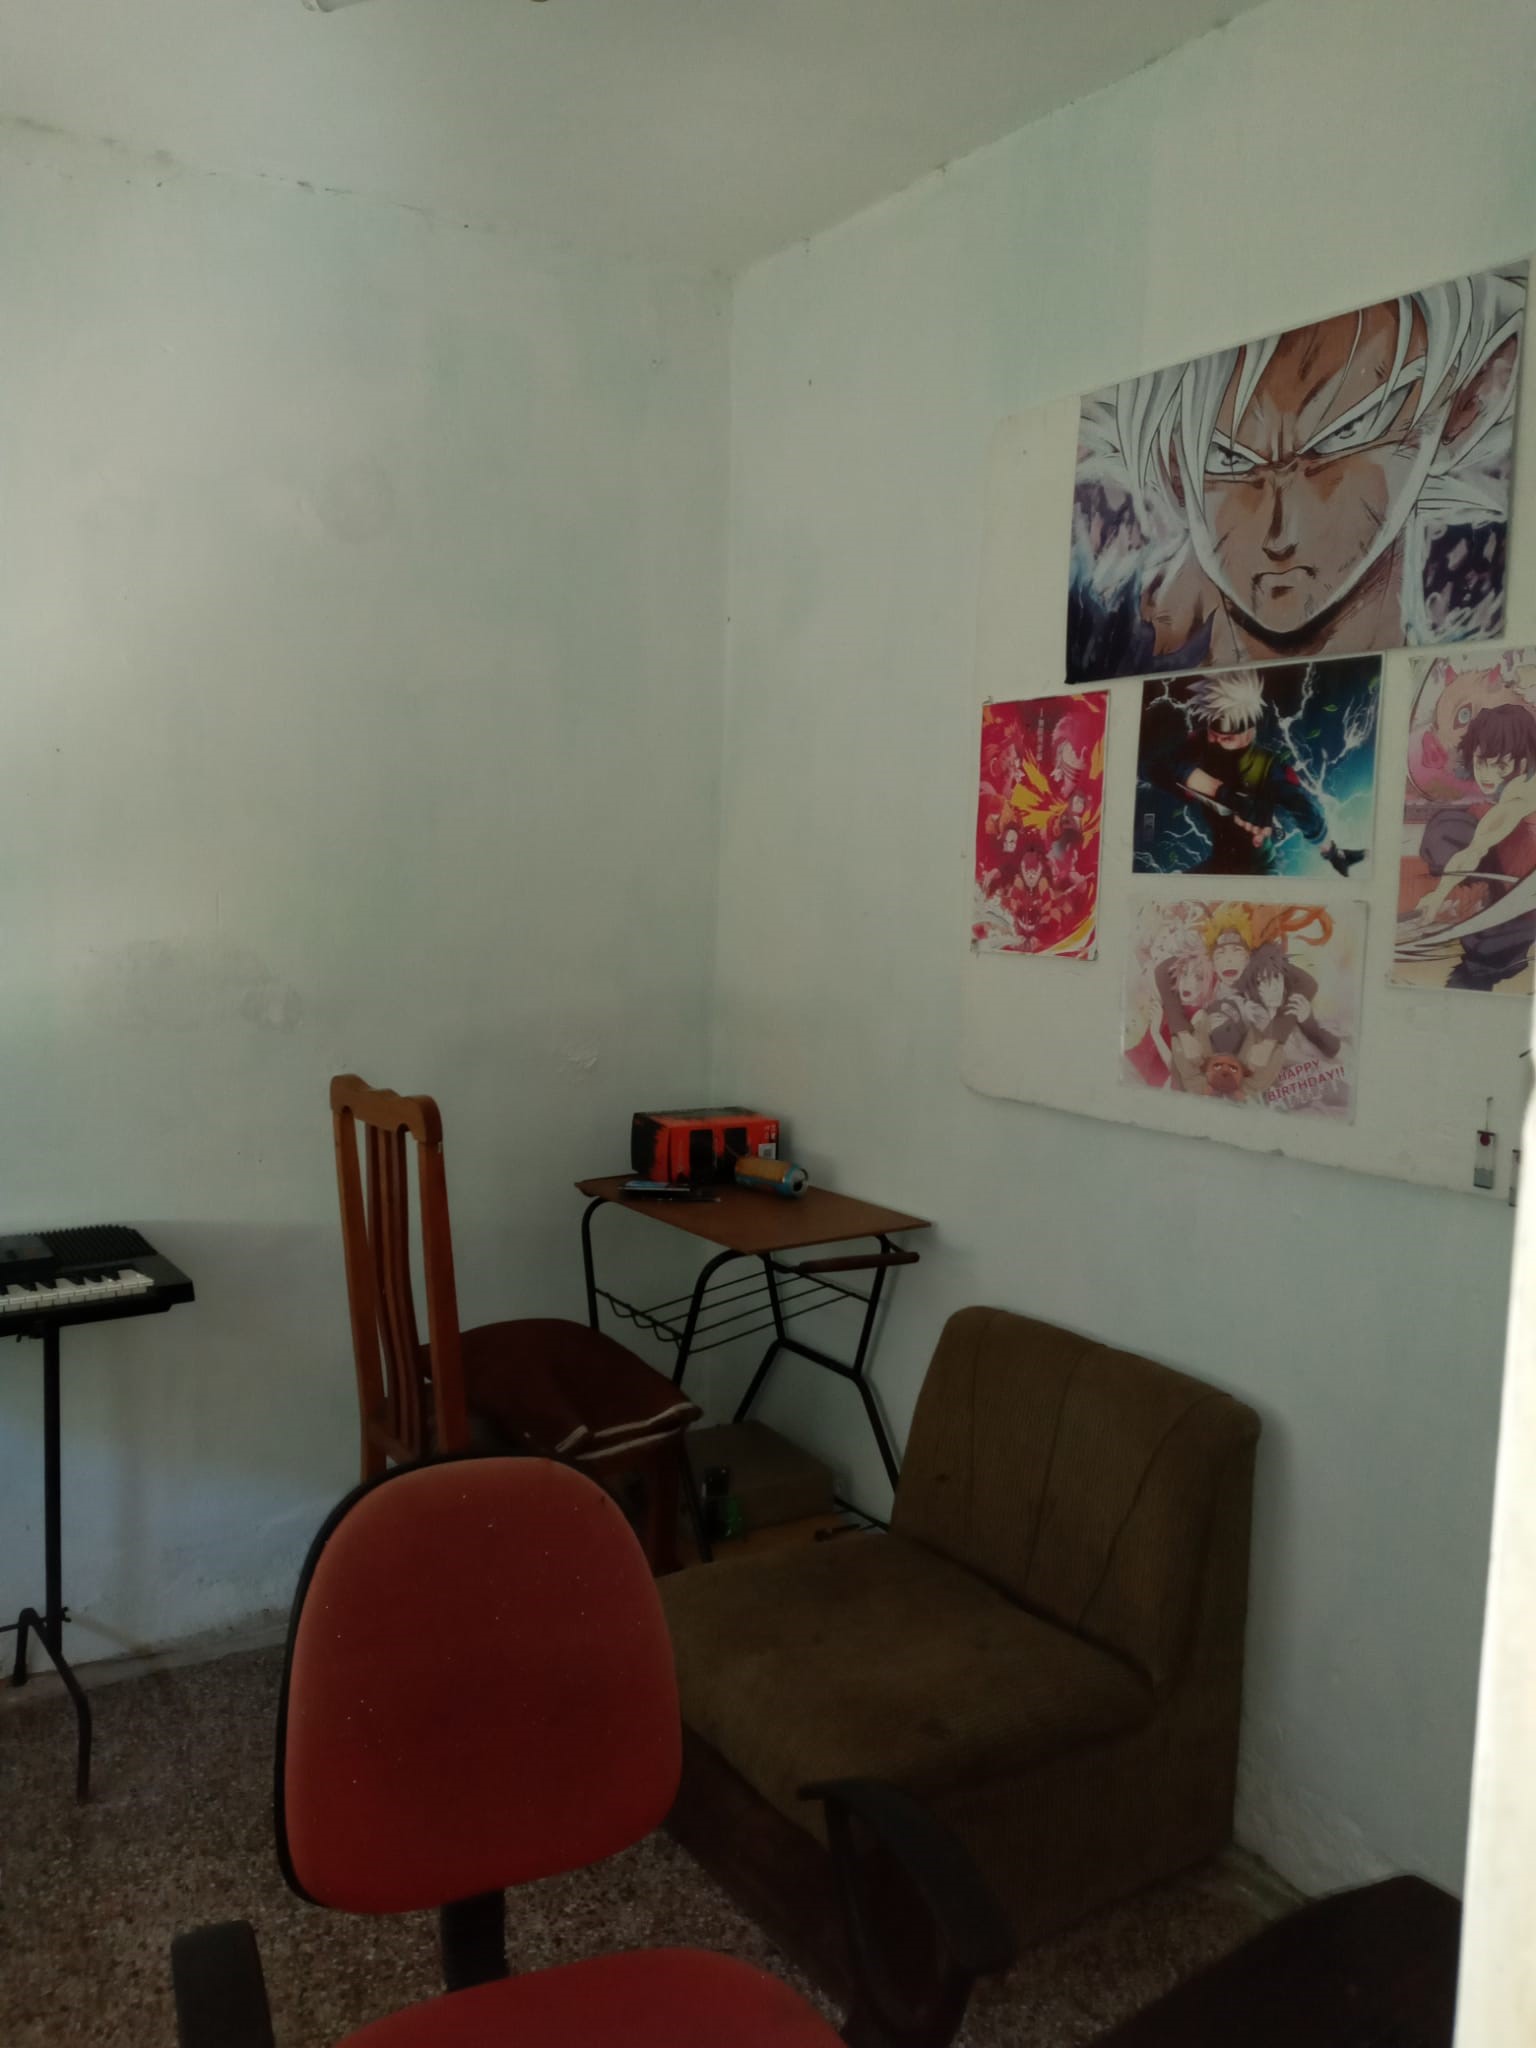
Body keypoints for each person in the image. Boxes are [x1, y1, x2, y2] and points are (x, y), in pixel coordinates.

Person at [1071, 267, 1525, 681]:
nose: (1280, 534)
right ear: (1174, 468)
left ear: (1467, 407)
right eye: (1228, 460)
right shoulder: (1114, 644)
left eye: (1347, 432)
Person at [1151, 670, 1365, 877]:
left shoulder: (1267, 767)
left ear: (1248, 734)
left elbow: (1302, 807)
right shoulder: (1198, 744)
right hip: (1218, 863)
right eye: (1212, 734)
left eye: (1227, 739)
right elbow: (1157, 765)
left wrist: (1332, 853)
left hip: (1256, 869)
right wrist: (1220, 792)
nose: (1215, 742)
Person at [1412, 700, 1536, 991]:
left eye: (1500, 765)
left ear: (1523, 761)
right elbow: (1474, 849)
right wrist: (1440, 895)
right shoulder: (1510, 794)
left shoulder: (1520, 795)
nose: (1488, 775)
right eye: (1481, 762)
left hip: (1522, 909)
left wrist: (1439, 896)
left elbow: (1473, 851)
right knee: (1451, 825)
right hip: (1513, 892)